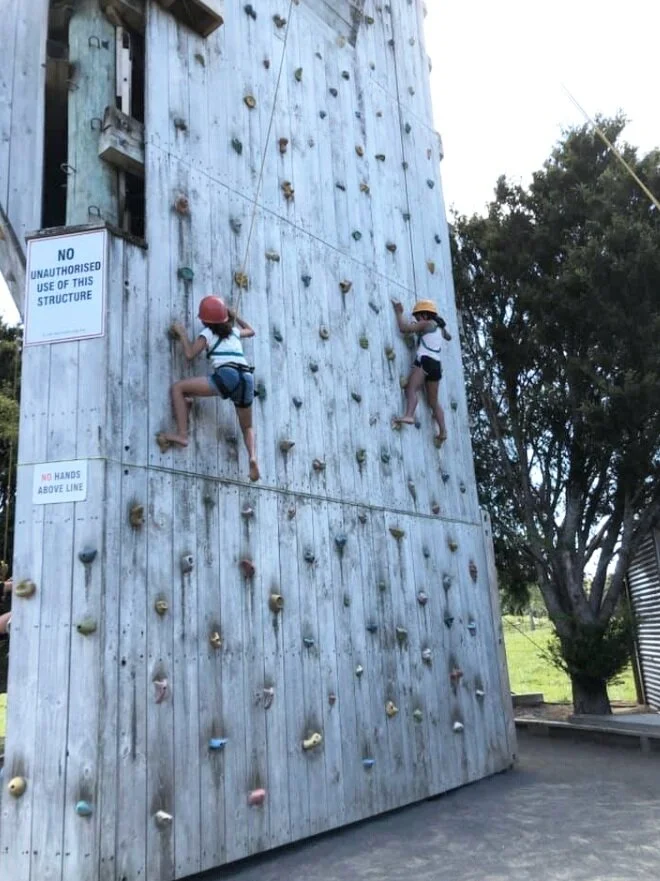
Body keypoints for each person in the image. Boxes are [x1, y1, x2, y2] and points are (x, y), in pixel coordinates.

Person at [157, 295, 260, 482]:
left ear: (205, 320)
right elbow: (251, 331)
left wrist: (181, 333)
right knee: (247, 426)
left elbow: (189, 354)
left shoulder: (207, 334)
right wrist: (234, 314)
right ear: (224, 317)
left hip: (227, 375)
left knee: (178, 388)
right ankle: (252, 457)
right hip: (247, 377)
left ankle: (181, 435)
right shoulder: (234, 332)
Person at [391, 298, 452, 446]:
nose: (417, 319)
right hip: (436, 366)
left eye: (418, 316)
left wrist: (399, 313)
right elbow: (448, 337)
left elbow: (403, 328)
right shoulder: (439, 327)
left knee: (411, 388)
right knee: (433, 401)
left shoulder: (426, 323)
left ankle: (409, 415)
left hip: (425, 361)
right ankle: (443, 431)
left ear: (424, 315)